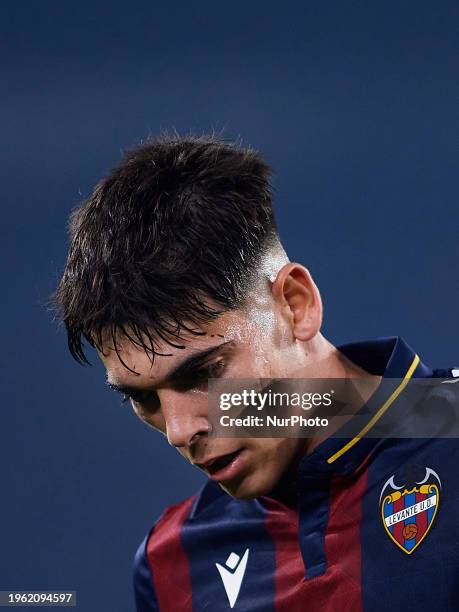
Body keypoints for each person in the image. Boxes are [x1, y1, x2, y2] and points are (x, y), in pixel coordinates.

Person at [54, 135, 458, 611]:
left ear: (294, 304)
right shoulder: (169, 565)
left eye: (203, 373)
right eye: (144, 399)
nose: (180, 431)